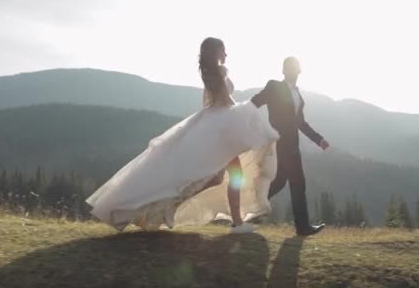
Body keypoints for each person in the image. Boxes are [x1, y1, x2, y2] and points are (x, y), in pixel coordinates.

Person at [86, 37, 279, 234]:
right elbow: (226, 102)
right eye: (223, 50)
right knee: (228, 175)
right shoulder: (217, 73)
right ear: (215, 52)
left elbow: (211, 102)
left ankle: (172, 206)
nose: (226, 54)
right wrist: (254, 103)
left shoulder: (209, 73)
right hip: (220, 129)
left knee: (217, 178)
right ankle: (234, 223)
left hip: (217, 126)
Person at [251, 56, 330, 236]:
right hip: (278, 143)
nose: (292, 70)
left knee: (280, 182)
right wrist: (243, 117)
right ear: (283, 70)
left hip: (293, 145)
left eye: (295, 67)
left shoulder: (298, 96)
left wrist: (319, 140)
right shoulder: (274, 87)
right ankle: (302, 227)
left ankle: (253, 208)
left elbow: (300, 123)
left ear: (299, 71)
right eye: (289, 67)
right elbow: (255, 102)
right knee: (296, 183)